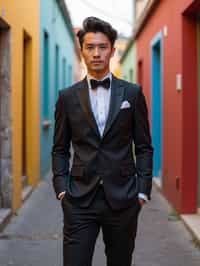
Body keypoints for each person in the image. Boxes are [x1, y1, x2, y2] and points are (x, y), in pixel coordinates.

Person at [52, 16, 153, 266]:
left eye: (102, 47)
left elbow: (143, 146)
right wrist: (62, 189)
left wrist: (142, 190)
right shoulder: (67, 97)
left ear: (112, 50)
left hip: (123, 199)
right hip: (79, 199)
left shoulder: (132, 93)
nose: (96, 53)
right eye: (90, 47)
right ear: (82, 51)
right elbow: (60, 148)